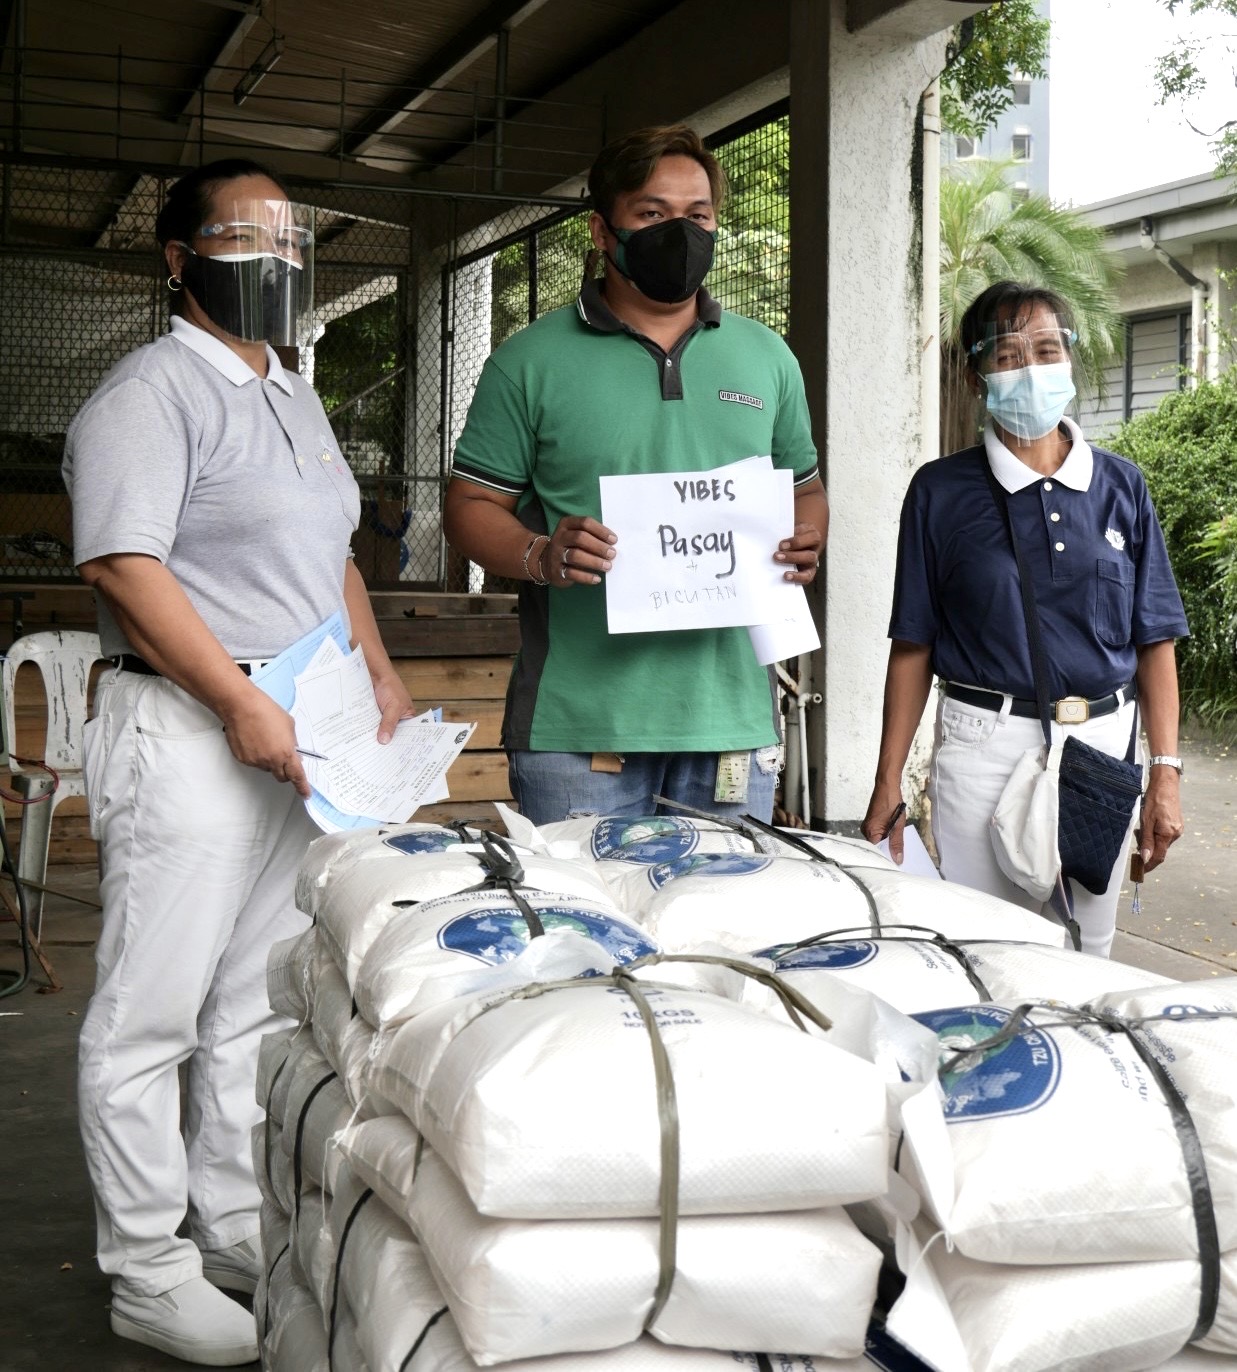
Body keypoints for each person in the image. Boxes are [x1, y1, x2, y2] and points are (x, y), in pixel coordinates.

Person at [63, 158, 413, 1365]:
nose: (276, 258)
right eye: (242, 237)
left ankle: (227, 1219)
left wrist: (374, 665)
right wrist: (235, 698)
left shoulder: (295, 393)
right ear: (178, 259)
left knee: (247, 1001)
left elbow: (337, 558)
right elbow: (124, 563)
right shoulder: (147, 393)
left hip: (298, 730)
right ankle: (145, 1267)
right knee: (147, 1011)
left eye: (292, 238)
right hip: (191, 727)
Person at [443, 124, 828, 826]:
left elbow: (803, 487)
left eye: (698, 216)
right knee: (585, 936)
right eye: (651, 215)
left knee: (718, 934)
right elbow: (470, 504)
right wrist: (540, 554)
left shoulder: (766, 357)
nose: (678, 232)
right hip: (578, 732)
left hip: (730, 726)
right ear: (601, 230)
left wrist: (804, 539)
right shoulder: (527, 362)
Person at [861, 280, 1187, 958]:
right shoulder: (939, 491)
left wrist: (1163, 772)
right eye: (1007, 355)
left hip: (1100, 747)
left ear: (1069, 358)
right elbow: (912, 644)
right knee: (987, 954)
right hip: (984, 744)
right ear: (977, 373)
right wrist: (886, 780)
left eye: (1045, 349)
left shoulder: (1120, 486)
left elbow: (1153, 638)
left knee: (1086, 956)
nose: (1030, 369)